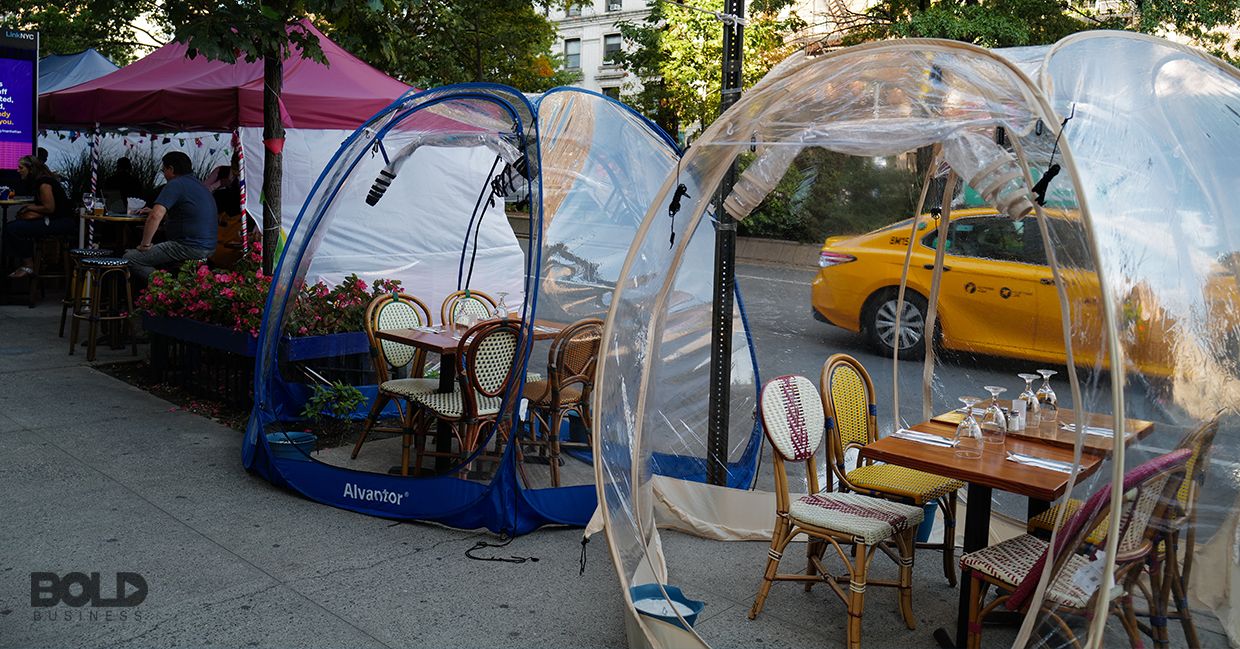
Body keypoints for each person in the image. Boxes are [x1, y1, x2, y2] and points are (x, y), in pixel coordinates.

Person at [123, 151, 217, 282]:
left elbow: (155, 216)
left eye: (163, 171)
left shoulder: (175, 183)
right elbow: (186, 214)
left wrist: (145, 245)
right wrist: (156, 212)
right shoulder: (198, 184)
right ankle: (173, 286)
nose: (164, 175)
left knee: (130, 257)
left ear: (171, 169)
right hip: (208, 246)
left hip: (187, 246)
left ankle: (169, 289)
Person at [3, 155, 76, 279]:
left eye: (21, 167)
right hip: (56, 220)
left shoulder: (44, 183)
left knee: (12, 229)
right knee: (16, 225)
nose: (18, 170)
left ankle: (28, 265)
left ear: (31, 169)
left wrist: (29, 208)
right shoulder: (40, 181)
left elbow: (49, 208)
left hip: (62, 223)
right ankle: (26, 263)